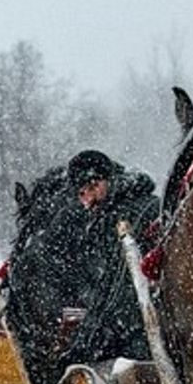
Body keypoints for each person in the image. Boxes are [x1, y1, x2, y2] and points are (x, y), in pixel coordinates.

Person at [62, 149, 161, 366]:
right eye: (81, 195)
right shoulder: (122, 209)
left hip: (143, 325)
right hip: (142, 319)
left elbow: (117, 286)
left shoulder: (125, 215)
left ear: (100, 183)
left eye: (87, 191)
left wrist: (89, 339)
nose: (86, 202)